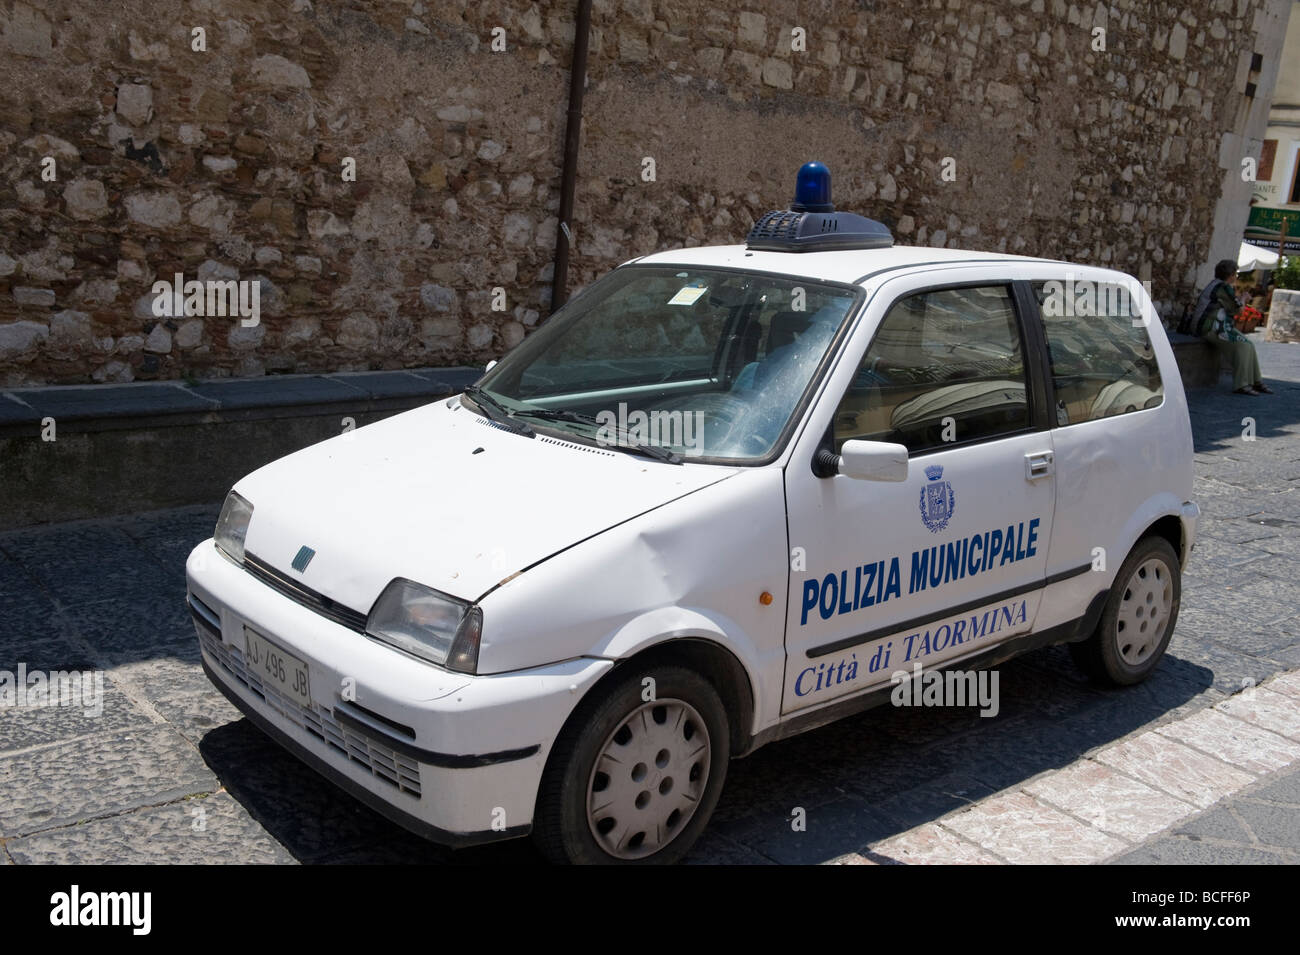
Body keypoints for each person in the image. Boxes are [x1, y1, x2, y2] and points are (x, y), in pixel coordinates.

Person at [1191, 259, 1273, 395]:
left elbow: (1230, 306)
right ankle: (1242, 384)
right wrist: (1244, 299)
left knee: (1250, 344)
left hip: (1217, 326)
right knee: (1243, 346)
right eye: (1235, 274)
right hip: (1211, 327)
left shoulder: (1217, 285)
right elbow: (1238, 310)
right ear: (1230, 275)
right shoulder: (1223, 287)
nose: (1236, 277)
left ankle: (1256, 380)